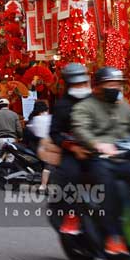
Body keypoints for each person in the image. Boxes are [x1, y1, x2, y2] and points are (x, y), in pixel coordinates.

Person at [72, 66, 130, 256]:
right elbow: (80, 129)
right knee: (110, 188)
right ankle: (113, 236)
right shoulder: (84, 107)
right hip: (100, 158)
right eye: (110, 84)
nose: (115, 88)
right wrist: (97, 144)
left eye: (118, 84)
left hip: (126, 155)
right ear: (97, 87)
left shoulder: (123, 105)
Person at [48, 62, 91, 236]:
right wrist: (72, 146)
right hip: (74, 152)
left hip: (100, 148)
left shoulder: (95, 101)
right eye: (76, 84)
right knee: (72, 175)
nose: (81, 86)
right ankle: (71, 215)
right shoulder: (62, 105)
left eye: (83, 83)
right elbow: (55, 133)